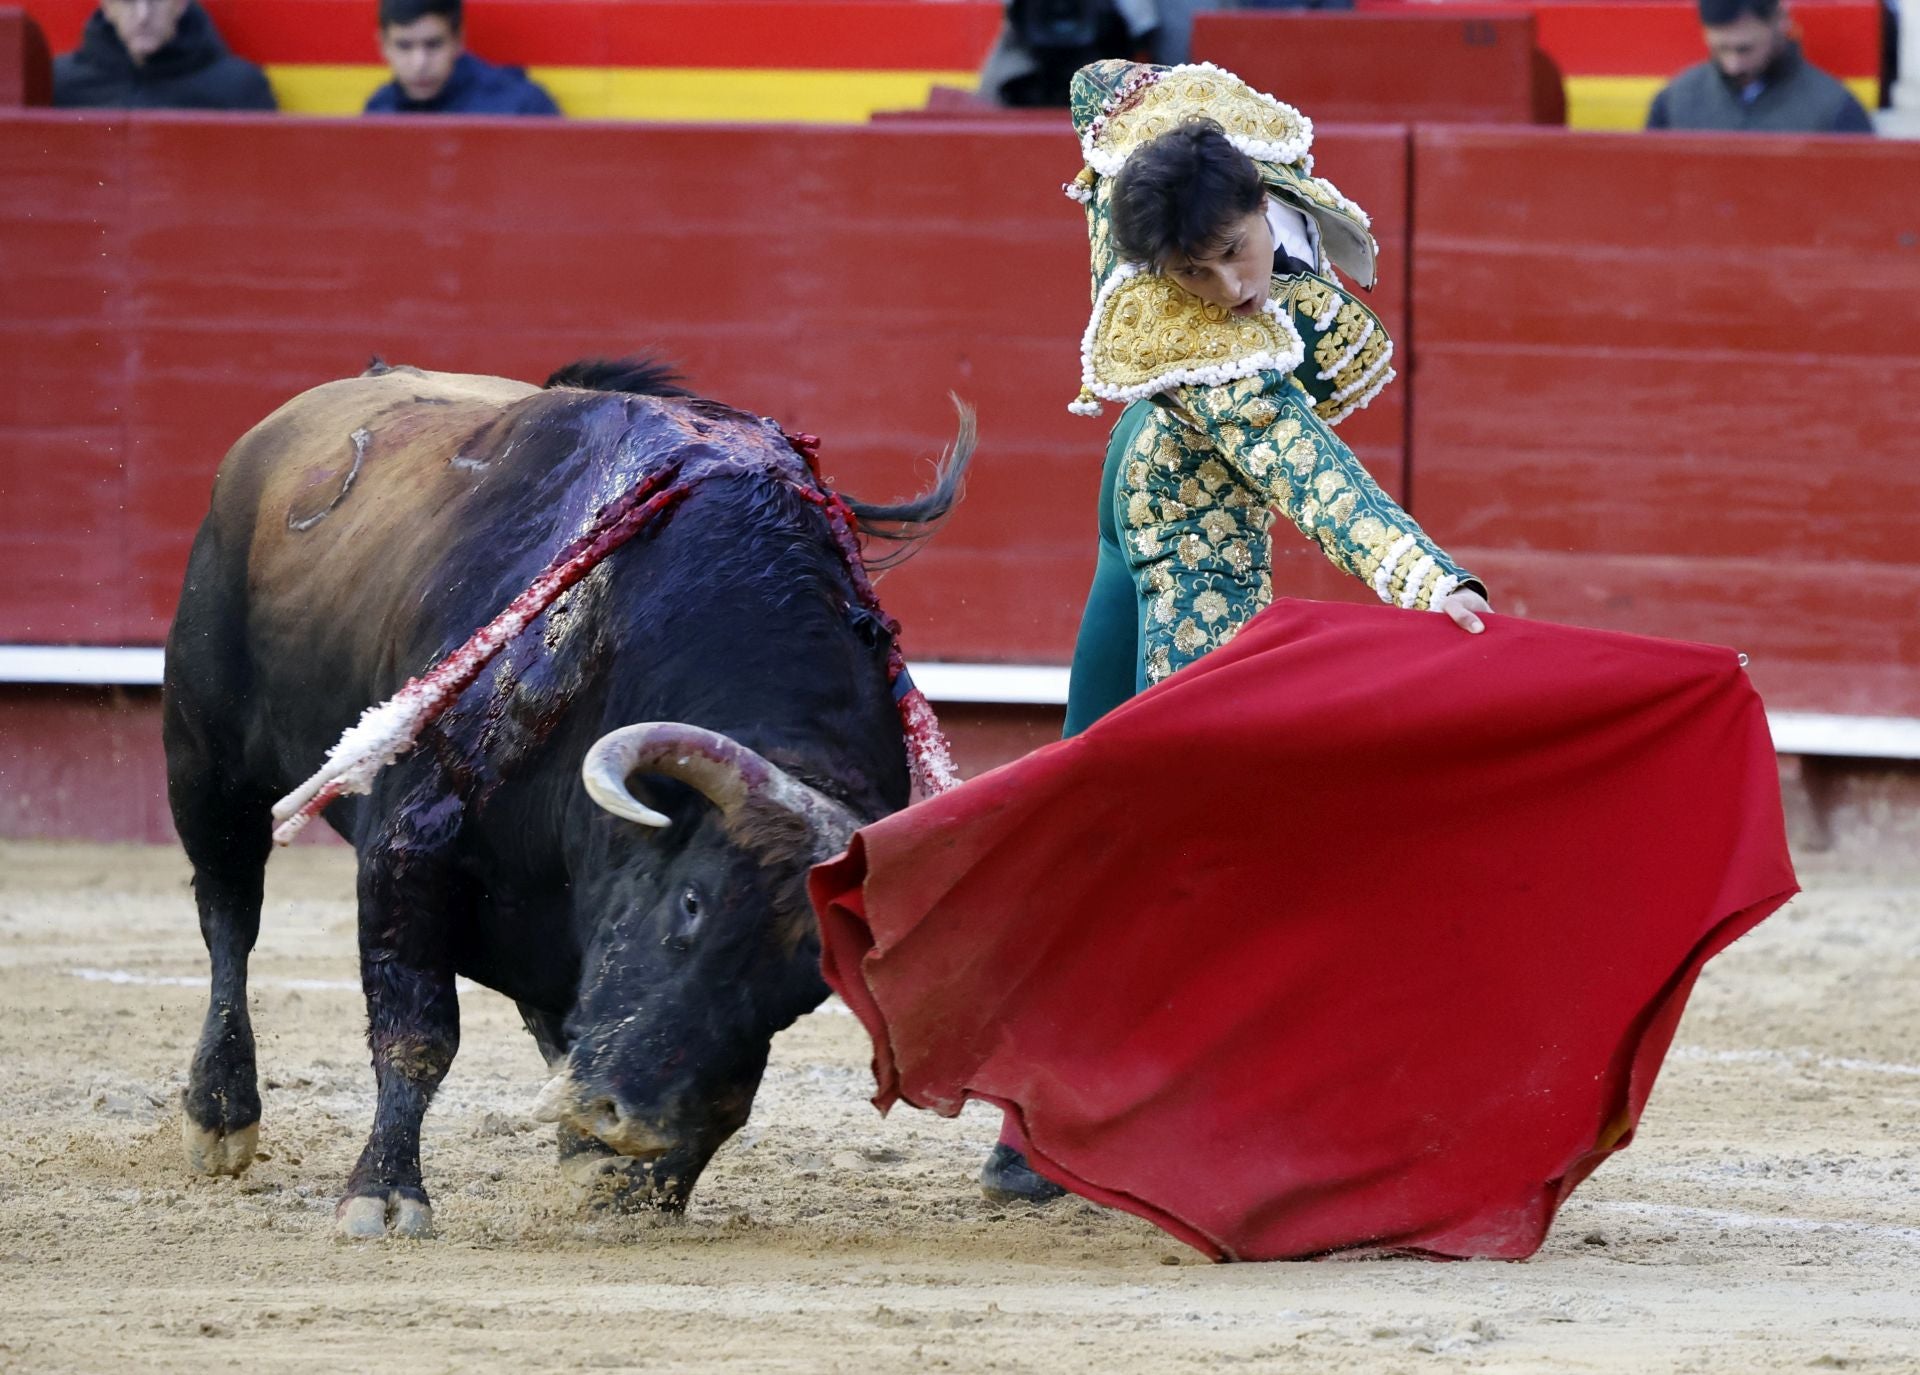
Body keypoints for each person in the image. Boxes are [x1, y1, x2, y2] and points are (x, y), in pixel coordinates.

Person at [978, 60, 1491, 1203]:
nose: (1227, 288)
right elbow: (1314, 479)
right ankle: (1153, 1115)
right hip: (1187, 551)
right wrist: (1424, 578)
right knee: (1188, 834)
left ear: (1262, 202)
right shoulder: (1215, 362)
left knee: (1096, 816)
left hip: (1136, 501)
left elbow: (1096, 82)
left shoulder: (1201, 168)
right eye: (1194, 273)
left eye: (1235, 252)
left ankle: (1037, 1124)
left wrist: (1149, 109)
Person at [1646, 0, 1873, 132]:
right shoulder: (1674, 103)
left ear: (1781, 20)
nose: (1732, 65)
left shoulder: (1835, 111)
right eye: (1719, 49)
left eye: (1745, 49)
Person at [53, 0, 275, 110]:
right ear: (107, 7)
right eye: (128, 2)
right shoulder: (56, 84)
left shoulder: (240, 89)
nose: (142, 16)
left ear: (181, 4)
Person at [365, 0, 560, 116]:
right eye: (404, 46)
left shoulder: (521, 108)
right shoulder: (378, 111)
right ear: (383, 45)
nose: (419, 63)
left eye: (433, 44)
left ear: (458, 40)